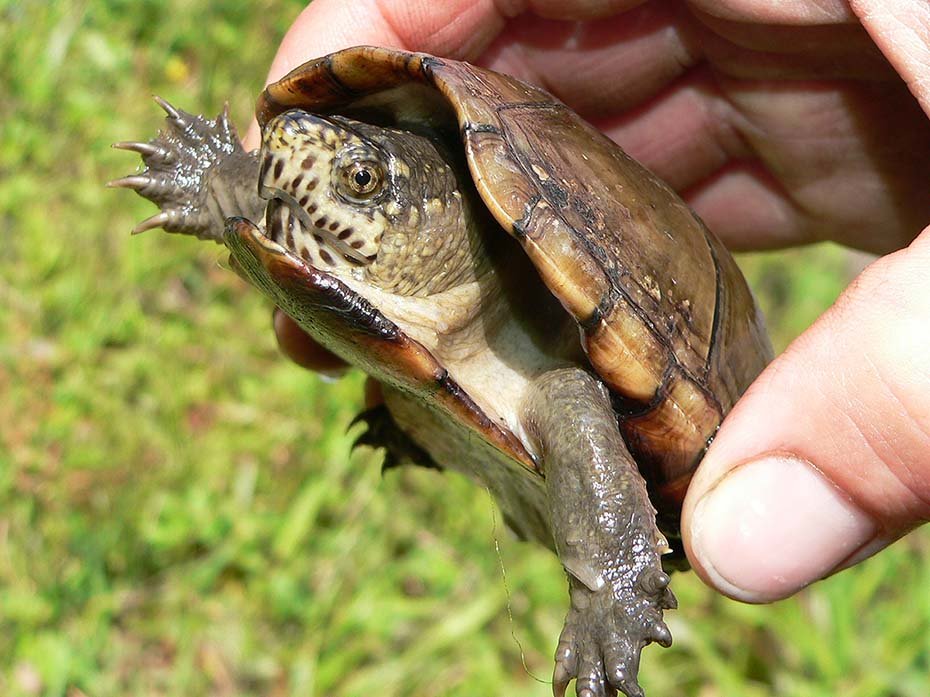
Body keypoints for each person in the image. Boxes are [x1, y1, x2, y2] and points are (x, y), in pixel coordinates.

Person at [245, 0, 930, 604]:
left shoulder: (549, 366)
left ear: (441, 217)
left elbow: (572, 397)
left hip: (662, 393)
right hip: (423, 352)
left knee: (569, 408)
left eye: (361, 181)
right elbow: (238, 183)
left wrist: (614, 586)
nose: (288, 176)